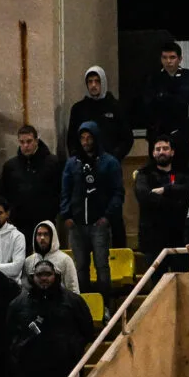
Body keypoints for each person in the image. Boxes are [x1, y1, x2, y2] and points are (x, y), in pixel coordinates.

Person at [6, 259, 94, 377]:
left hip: (65, 376)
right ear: (33, 277)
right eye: (39, 274)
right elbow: (9, 336)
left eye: (48, 274)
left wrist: (71, 348)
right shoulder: (18, 305)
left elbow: (88, 332)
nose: (44, 278)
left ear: (56, 276)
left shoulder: (73, 301)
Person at [59, 121, 123, 295]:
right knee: (80, 267)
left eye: (89, 138)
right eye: (83, 138)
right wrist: (67, 216)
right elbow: (65, 191)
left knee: (102, 266)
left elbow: (118, 192)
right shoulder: (72, 164)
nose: (86, 142)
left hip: (99, 224)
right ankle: (84, 305)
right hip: (77, 225)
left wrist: (107, 217)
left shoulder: (109, 162)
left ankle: (106, 306)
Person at [0, 126, 61, 246]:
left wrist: (53, 209)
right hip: (19, 222)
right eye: (22, 142)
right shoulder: (10, 166)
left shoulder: (52, 163)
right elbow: (4, 194)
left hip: (45, 220)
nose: (26, 146)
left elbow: (59, 190)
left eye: (29, 141)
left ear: (36, 141)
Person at [134, 136, 189, 258]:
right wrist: (174, 202)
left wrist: (166, 190)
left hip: (178, 236)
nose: (161, 152)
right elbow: (145, 197)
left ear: (172, 152)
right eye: (158, 149)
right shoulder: (144, 174)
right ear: (153, 153)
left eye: (165, 148)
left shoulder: (183, 173)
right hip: (152, 238)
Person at [143, 42, 189, 168]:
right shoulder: (153, 78)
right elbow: (149, 104)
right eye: (165, 57)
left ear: (180, 59)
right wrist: (170, 96)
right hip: (157, 132)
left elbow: (182, 102)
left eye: (172, 57)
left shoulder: (187, 76)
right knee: (157, 171)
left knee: (180, 171)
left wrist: (162, 96)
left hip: (180, 133)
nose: (168, 61)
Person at [64, 66, 131, 162]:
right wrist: (77, 158)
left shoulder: (116, 107)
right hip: (84, 163)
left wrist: (114, 157)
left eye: (97, 81)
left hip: (109, 164)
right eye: (90, 82)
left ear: (103, 82)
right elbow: (72, 138)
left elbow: (127, 138)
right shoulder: (78, 109)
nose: (93, 85)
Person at [21, 221, 77, 293]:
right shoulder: (28, 261)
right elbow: (25, 289)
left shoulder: (65, 260)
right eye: (39, 234)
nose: (42, 238)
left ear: (53, 236)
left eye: (46, 234)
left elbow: (73, 289)